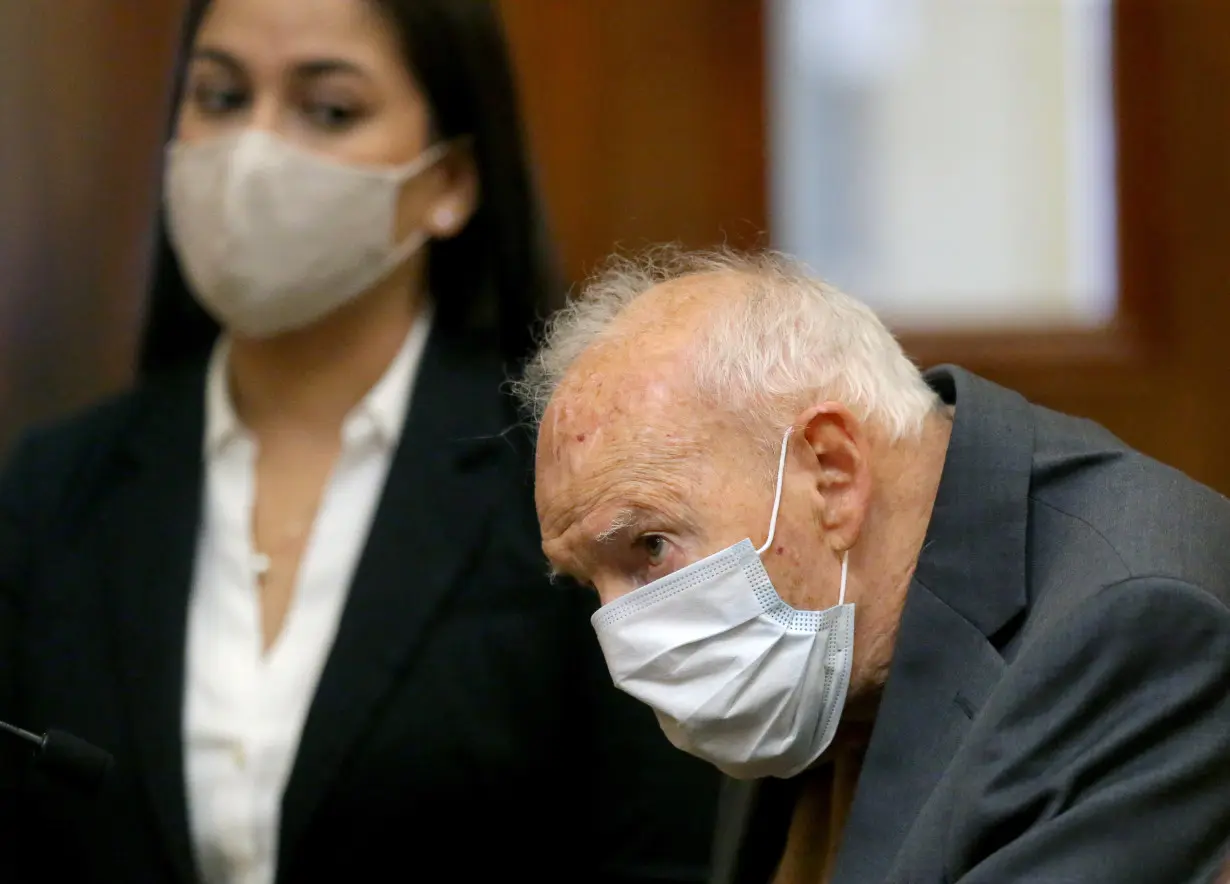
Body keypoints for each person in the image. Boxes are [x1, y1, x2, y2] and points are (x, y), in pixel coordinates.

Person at [0, 2, 720, 882]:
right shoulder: (55, 487)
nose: (253, 152)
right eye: (221, 97)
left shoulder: (568, 492)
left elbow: (662, 853)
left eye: (329, 110)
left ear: (450, 178)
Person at [516, 246, 1230, 884]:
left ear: (831, 473)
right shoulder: (810, 636)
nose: (625, 646)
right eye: (588, 585)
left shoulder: (1136, 626)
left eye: (648, 547)